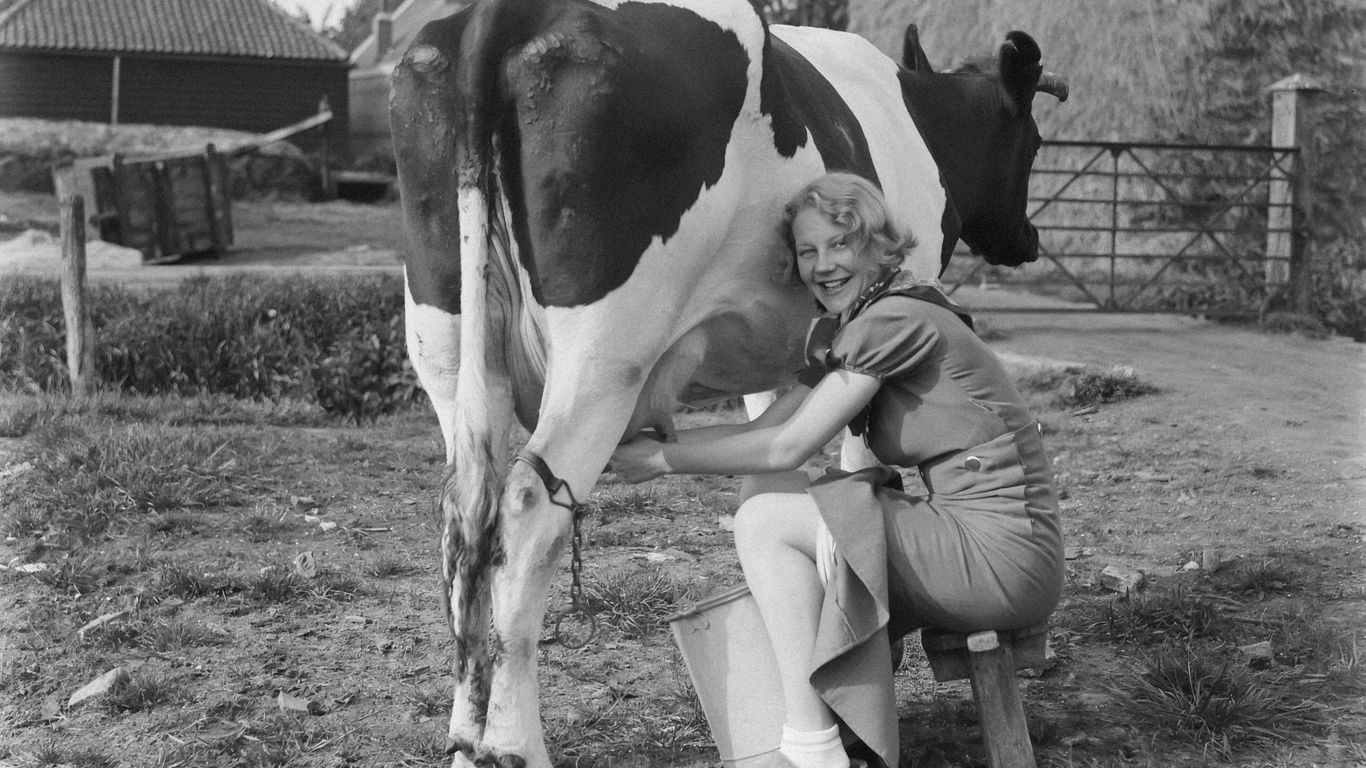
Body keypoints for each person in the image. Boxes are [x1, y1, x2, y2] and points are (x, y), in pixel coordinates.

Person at [610, 172, 1064, 768]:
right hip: (975, 539)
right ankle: (816, 722)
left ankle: (811, 745)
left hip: (1003, 554)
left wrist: (659, 462)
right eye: (807, 251)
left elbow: (789, 446)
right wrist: (657, 433)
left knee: (766, 523)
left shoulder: (892, 320)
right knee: (767, 492)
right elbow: (765, 433)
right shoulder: (867, 318)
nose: (823, 265)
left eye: (840, 243)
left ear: (876, 245)